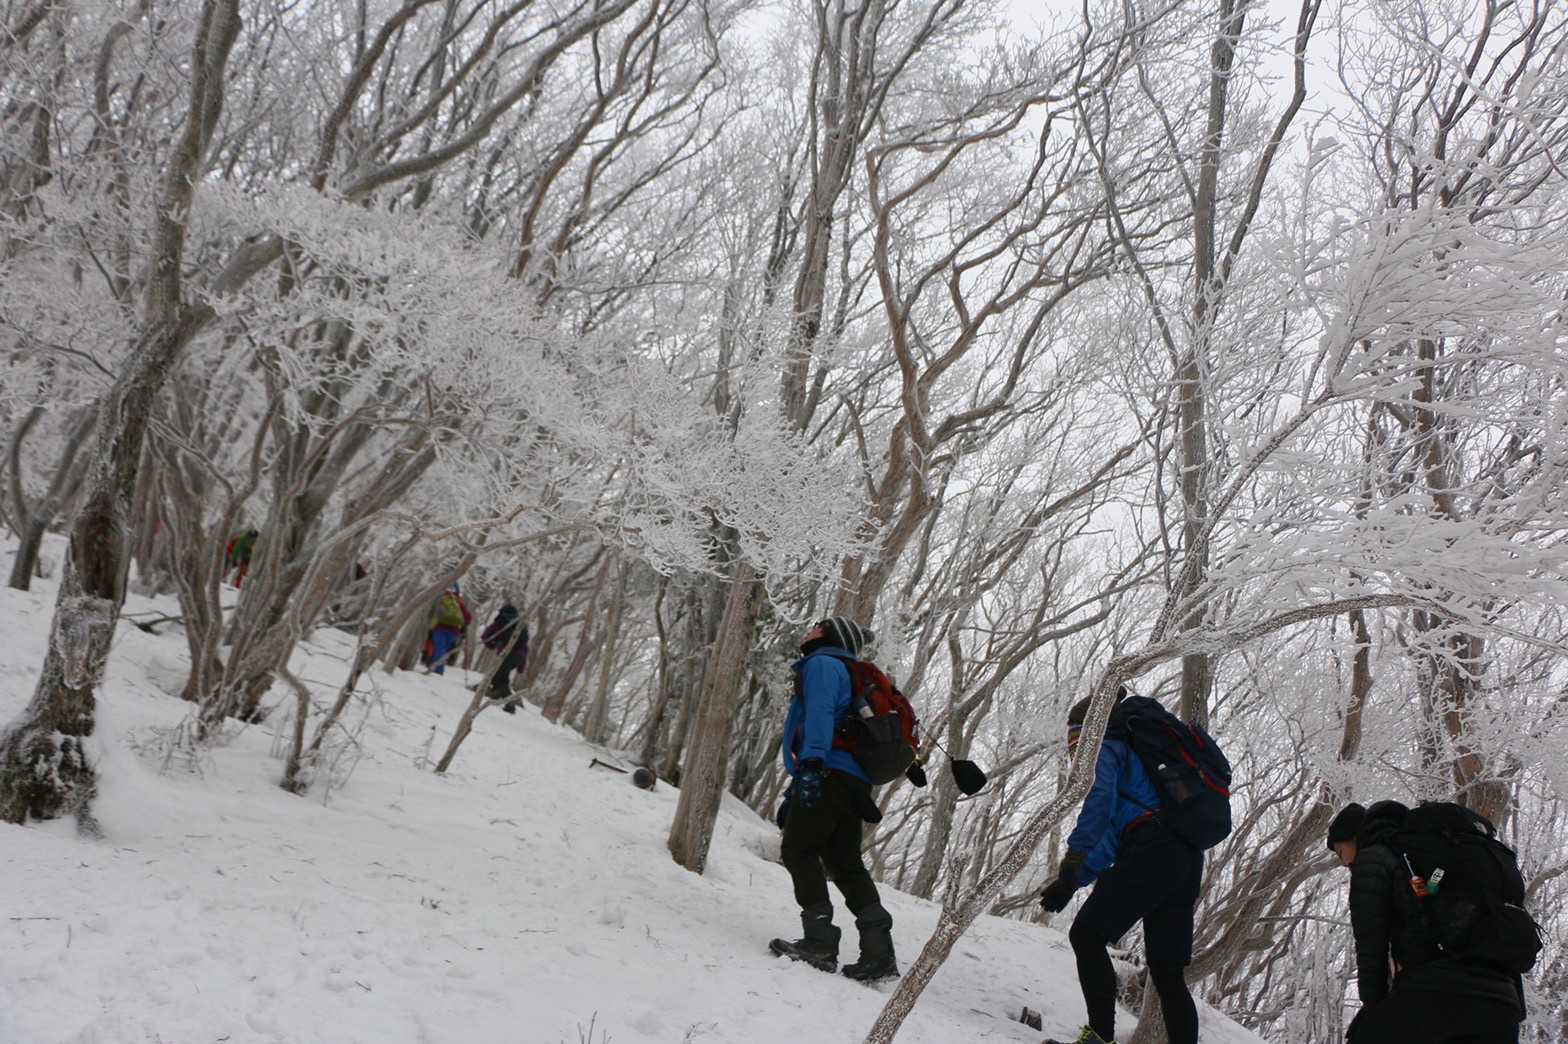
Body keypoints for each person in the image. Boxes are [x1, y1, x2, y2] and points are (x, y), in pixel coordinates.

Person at [1038, 694, 1202, 1044]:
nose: (1075, 757)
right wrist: (1071, 881)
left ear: (1088, 736)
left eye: (1076, 745)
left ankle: (1099, 1038)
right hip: (1184, 858)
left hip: (1152, 850)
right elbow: (1111, 837)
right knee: (1167, 971)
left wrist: (1071, 862)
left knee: (1086, 935)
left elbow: (1099, 804)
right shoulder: (1137, 763)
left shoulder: (1106, 748)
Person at [1327, 800, 1525, 1044]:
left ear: (1353, 837)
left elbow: (1371, 947)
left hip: (1436, 993)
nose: (1344, 863)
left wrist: (1373, 1009)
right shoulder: (1423, 855)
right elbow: (1432, 894)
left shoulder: (1373, 859)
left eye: (1341, 853)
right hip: (1503, 1002)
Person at [768, 616, 897, 983]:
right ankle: (879, 953)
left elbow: (821, 712)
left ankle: (820, 942)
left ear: (828, 636)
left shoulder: (823, 664)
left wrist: (811, 763)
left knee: (798, 849)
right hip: (851, 778)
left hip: (827, 769)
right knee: (844, 861)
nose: (808, 629)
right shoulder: (846, 669)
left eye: (816, 626)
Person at [480, 602, 528, 714]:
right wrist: (521, 666)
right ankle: (496, 695)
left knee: (501, 677)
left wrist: (492, 644)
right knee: (498, 676)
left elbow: (485, 636)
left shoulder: (500, 621)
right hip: (519, 656)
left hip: (507, 654)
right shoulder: (521, 624)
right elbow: (524, 647)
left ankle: (510, 704)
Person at [424, 582, 470, 675]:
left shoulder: (441, 598)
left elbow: (431, 612)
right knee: (443, 649)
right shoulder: (458, 601)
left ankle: (437, 671)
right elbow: (468, 617)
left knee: (439, 648)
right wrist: (462, 626)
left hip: (439, 627)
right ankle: (435, 668)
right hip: (454, 630)